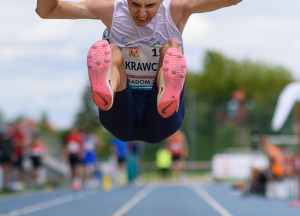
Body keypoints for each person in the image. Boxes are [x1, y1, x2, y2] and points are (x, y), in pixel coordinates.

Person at [35, 0, 242, 143]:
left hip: (162, 117)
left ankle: (166, 90)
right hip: (120, 113)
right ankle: (107, 84)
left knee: (171, 48)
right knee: (111, 50)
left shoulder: (177, 8)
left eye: (150, 5)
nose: (142, 13)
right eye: (135, 4)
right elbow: (48, 10)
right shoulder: (109, 9)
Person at [64, 126, 84, 190]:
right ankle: (74, 181)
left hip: (77, 154)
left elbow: (81, 145)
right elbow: (66, 146)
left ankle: (78, 181)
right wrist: (66, 155)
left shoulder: (78, 137)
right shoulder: (68, 137)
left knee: (76, 167)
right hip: (71, 154)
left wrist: (82, 153)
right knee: (72, 168)